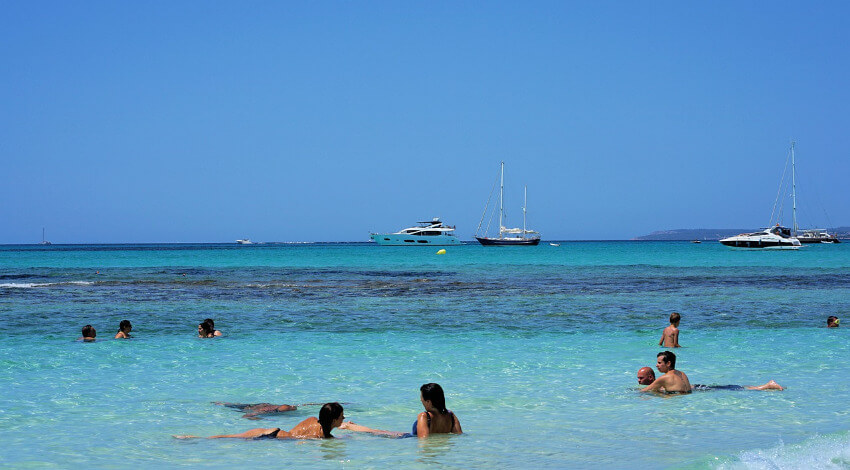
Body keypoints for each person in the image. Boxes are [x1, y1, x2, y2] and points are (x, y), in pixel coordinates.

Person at [341, 383, 462, 438]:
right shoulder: (450, 415)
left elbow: (423, 441)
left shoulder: (424, 416)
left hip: (406, 439)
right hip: (428, 446)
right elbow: (459, 436)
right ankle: (352, 426)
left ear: (429, 402)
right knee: (381, 431)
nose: (421, 401)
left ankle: (348, 426)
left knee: (377, 432)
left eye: (422, 399)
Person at [175, 402, 344, 439]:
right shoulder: (324, 437)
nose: (344, 418)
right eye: (342, 415)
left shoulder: (313, 419)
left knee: (230, 437)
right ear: (335, 419)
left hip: (272, 432)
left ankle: (190, 438)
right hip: (275, 440)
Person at [637, 367, 783, 391]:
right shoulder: (659, 383)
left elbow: (645, 392)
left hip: (702, 390)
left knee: (734, 389)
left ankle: (767, 386)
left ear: (650, 377)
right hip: (700, 388)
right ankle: (763, 386)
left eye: (641, 378)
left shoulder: (658, 384)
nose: (638, 381)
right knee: (734, 388)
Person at [214, 402, 298, 418]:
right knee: (232, 406)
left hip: (257, 405)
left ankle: (222, 403)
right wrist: (259, 419)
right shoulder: (265, 410)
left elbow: (295, 406)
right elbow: (246, 416)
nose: (293, 407)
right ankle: (219, 404)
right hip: (248, 408)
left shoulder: (277, 407)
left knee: (235, 404)